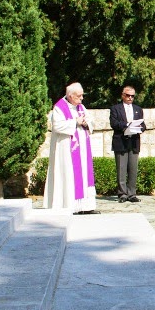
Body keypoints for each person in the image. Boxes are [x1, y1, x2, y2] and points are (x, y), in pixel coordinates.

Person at [44, 82, 97, 214]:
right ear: (70, 95)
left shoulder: (81, 107)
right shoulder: (59, 108)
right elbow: (57, 126)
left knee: (84, 175)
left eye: (82, 95)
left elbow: (91, 121)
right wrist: (75, 122)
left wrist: (86, 122)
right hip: (67, 150)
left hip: (83, 150)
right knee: (69, 176)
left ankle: (86, 206)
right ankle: (70, 206)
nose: (82, 98)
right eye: (79, 96)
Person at [108, 85, 145, 202]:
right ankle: (122, 194)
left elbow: (143, 125)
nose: (130, 98)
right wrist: (126, 125)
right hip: (121, 141)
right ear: (122, 95)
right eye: (128, 95)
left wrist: (140, 127)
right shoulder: (115, 108)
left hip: (134, 141)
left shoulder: (138, 109)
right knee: (121, 169)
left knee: (133, 169)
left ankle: (132, 194)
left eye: (132, 96)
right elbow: (114, 123)